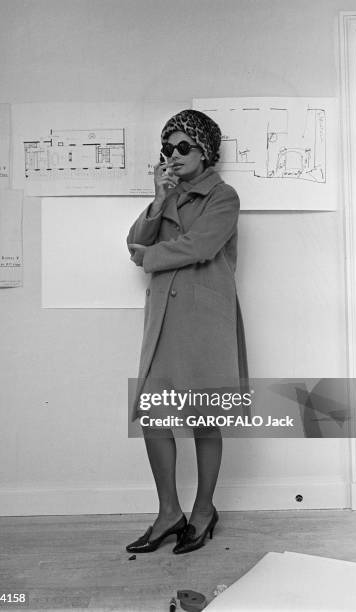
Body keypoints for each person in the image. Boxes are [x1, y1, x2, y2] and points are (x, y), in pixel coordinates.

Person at [126, 109, 248, 555]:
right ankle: (168, 512)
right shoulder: (169, 194)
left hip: (204, 320)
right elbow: (134, 238)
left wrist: (148, 256)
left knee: (203, 419)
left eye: (183, 148)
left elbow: (200, 246)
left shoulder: (224, 196)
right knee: (155, 417)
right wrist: (158, 201)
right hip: (163, 318)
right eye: (167, 149)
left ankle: (202, 511)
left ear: (205, 150)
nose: (173, 157)